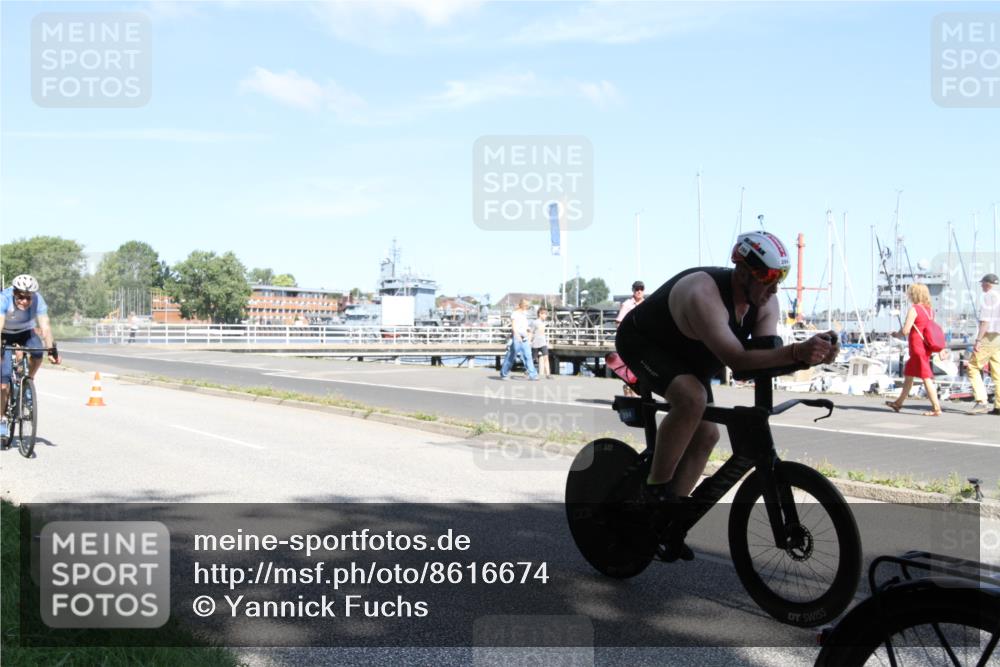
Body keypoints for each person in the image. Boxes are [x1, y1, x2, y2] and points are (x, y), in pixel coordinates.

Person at [616, 232, 838, 559]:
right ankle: (655, 493)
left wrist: (810, 356)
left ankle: (668, 522)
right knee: (691, 400)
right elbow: (737, 360)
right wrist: (797, 352)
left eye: (781, 279)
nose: (775, 288)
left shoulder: (765, 303)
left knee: (707, 435)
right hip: (644, 344)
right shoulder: (703, 292)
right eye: (768, 278)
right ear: (743, 272)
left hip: (691, 358)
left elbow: (759, 363)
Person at [1, 275, 61, 438]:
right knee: (3, 384)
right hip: (4, 334)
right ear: (14, 293)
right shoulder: (4, 299)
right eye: (20, 297)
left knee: (37, 352)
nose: (24, 301)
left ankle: (28, 381)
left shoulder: (38, 300)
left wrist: (52, 350)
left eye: (28, 298)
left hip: (25, 332)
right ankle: (2, 419)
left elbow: (45, 326)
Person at [884, 283, 943, 416]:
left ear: (914, 294)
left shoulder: (914, 309)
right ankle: (898, 403)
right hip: (925, 347)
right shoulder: (930, 311)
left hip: (917, 348)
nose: (908, 295)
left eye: (910, 293)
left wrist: (895, 334)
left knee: (926, 377)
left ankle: (936, 408)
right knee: (909, 377)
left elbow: (905, 330)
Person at [968, 273, 1000, 415]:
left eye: (982, 283)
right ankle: (998, 406)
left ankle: (981, 401)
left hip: (989, 336)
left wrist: (978, 340)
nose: (981, 285)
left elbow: (985, 321)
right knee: (997, 371)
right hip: (999, 337)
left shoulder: (989, 297)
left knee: (973, 366)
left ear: (988, 284)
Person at [615, 281, 645, 396]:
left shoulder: (646, 304)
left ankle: (638, 392)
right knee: (631, 367)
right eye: (637, 289)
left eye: (641, 289)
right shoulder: (627, 304)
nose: (639, 291)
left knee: (642, 368)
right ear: (632, 290)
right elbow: (618, 323)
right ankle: (629, 391)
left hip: (643, 342)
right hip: (630, 341)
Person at [499, 299, 538, 380]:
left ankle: (533, 375)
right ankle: (504, 373)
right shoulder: (515, 314)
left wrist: (528, 330)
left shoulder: (525, 314)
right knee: (512, 355)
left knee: (528, 356)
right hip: (517, 336)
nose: (527, 308)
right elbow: (513, 326)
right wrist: (517, 335)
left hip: (524, 337)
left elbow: (525, 325)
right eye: (527, 306)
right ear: (522, 305)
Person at [530, 307, 551, 379]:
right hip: (535, 343)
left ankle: (548, 374)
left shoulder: (544, 322)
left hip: (543, 343)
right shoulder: (535, 322)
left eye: (546, 314)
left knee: (546, 357)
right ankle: (527, 370)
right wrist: (529, 342)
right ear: (540, 314)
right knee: (533, 359)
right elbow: (530, 332)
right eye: (544, 314)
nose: (546, 316)